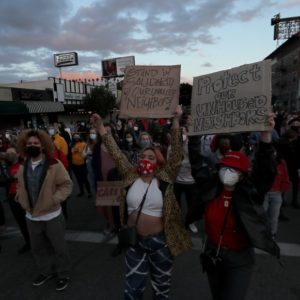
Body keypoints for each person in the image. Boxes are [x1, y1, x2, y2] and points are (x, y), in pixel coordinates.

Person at [91, 105, 192, 300]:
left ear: (158, 162)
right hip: (134, 242)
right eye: (143, 156)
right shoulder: (130, 175)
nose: (145, 159)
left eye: (150, 157)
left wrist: (177, 121)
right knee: (132, 290)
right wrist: (101, 128)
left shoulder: (164, 177)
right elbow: (115, 152)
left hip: (160, 243)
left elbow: (177, 154)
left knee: (161, 289)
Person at [188, 113, 280, 300]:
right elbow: (197, 165)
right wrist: (193, 136)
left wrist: (266, 136)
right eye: (224, 167)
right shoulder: (211, 185)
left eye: (233, 169)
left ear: (243, 174)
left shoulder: (250, 194)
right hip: (213, 254)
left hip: (240, 260)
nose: (227, 172)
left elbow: (266, 171)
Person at [16, 129, 73, 291]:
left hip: (52, 215)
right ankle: (45, 271)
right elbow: (21, 185)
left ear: (43, 145)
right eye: (29, 143)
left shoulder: (54, 164)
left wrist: (54, 200)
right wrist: (20, 197)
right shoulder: (23, 165)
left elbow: (67, 185)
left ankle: (63, 274)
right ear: (24, 146)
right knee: (38, 249)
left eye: (35, 143)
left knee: (59, 248)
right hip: (31, 217)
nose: (32, 145)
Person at [5, 147, 31, 254]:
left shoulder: (24, 164)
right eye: (7, 153)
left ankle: (38, 242)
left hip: (24, 194)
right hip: (12, 197)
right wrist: (11, 179)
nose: (9, 155)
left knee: (30, 219)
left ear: (17, 153)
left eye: (11, 152)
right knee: (20, 221)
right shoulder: (6, 167)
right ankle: (28, 242)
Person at [71, 133, 92, 198]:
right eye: (75, 137)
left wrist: (80, 151)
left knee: (85, 179)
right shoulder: (72, 144)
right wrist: (73, 150)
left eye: (77, 136)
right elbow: (71, 152)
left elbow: (87, 153)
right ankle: (81, 192)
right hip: (74, 165)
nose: (76, 138)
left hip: (82, 164)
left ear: (80, 137)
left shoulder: (84, 144)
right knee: (78, 179)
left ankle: (89, 192)